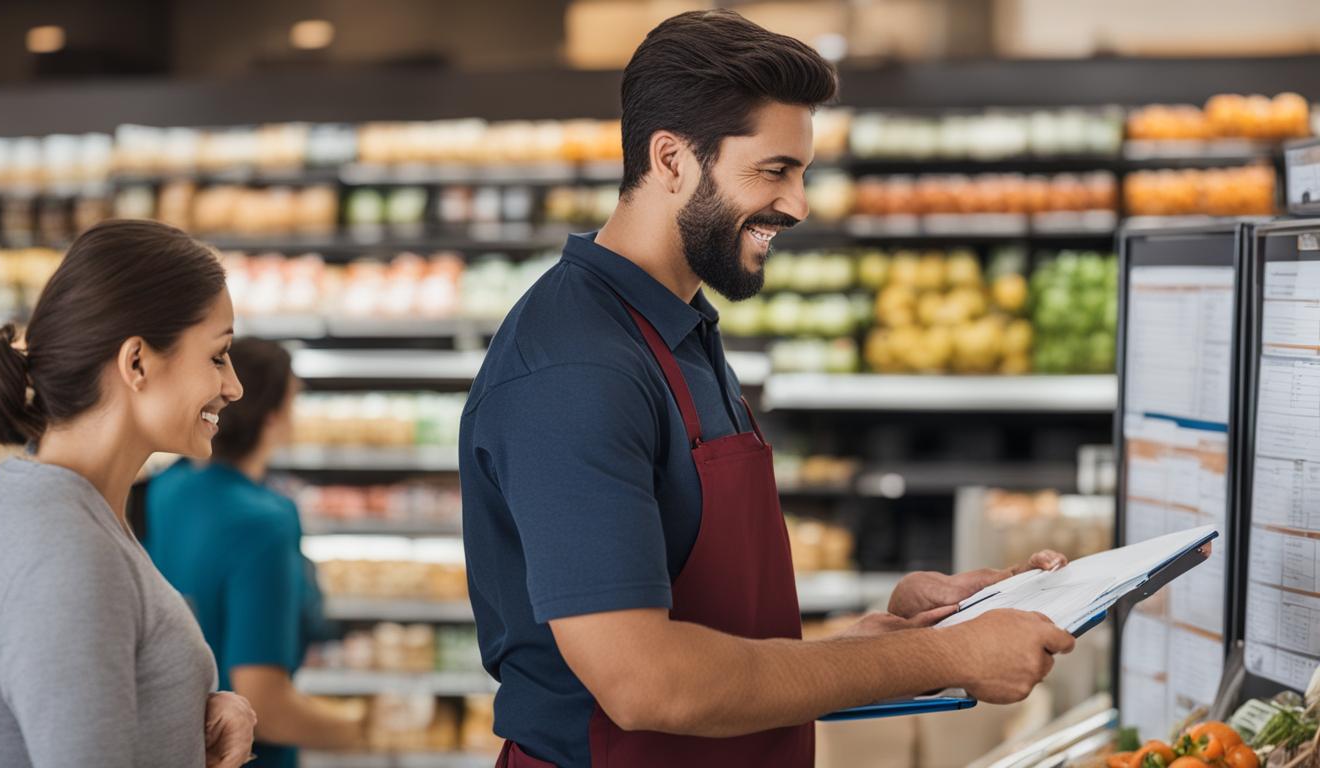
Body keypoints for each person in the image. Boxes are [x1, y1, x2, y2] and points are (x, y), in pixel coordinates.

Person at [460, 11, 1078, 768]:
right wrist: (944, 661)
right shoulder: (577, 369)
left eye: (804, 172)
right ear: (671, 160)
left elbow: (718, 641)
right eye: (774, 170)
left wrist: (908, 638)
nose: (799, 205)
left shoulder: (677, 330)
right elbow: (648, 684)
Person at [0, 219, 258, 768]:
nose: (234, 386)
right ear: (136, 363)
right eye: (218, 355)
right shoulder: (68, 551)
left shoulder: (52, 508)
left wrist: (178, 717)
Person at [145, 338, 368, 768]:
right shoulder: (265, 521)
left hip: (182, 738)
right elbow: (266, 705)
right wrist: (356, 731)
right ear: (273, 417)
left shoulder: (167, 488)